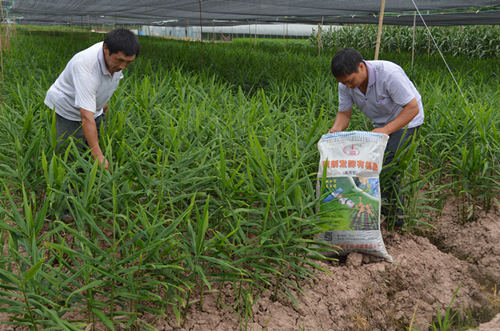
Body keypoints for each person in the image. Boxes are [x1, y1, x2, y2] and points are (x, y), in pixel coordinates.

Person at [328, 48, 424, 228]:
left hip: (407, 121)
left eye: (350, 81)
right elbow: (344, 114)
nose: (348, 86)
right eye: (344, 83)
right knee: (370, 167)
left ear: (361, 67)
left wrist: (386, 129)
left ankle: (395, 221)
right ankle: (374, 211)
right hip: (381, 125)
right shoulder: (345, 85)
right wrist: (334, 131)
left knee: (388, 168)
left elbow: (412, 108)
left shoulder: (389, 74)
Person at [45, 28, 140, 170]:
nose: (123, 66)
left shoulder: (114, 59)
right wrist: (98, 156)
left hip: (93, 106)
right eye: (120, 60)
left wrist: (103, 104)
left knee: (92, 143)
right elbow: (86, 117)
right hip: (67, 106)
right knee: (69, 153)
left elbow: (106, 82)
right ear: (106, 49)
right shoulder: (86, 66)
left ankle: (89, 172)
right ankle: (68, 184)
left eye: (128, 62)